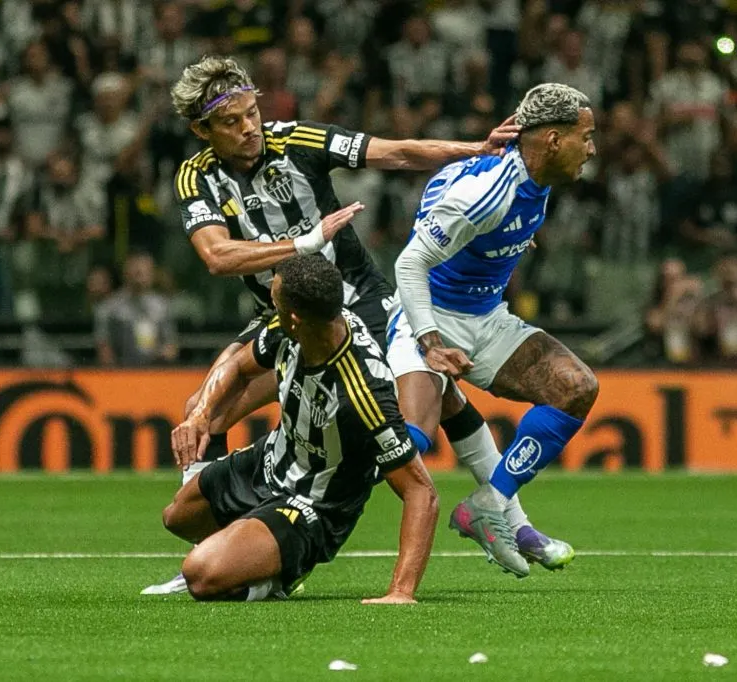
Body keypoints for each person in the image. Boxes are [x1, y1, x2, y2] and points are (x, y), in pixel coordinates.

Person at [144, 55, 558, 593]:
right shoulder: (196, 176)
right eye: (231, 121)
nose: (249, 128)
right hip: (284, 314)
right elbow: (217, 256)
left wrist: (474, 149)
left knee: (429, 400)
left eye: (251, 113)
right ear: (202, 130)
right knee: (204, 411)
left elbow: (393, 151)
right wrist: (306, 243)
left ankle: (507, 518)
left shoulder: (295, 139)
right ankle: (232, 553)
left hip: (358, 305)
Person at [387, 83, 599, 577]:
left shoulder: (534, 175)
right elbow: (409, 263)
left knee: (576, 387)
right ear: (552, 140)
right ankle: (295, 510)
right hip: (428, 316)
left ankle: (491, 504)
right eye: (586, 137)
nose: (591, 149)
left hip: (486, 317)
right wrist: (430, 344)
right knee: (409, 443)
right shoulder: (486, 192)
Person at [162, 254, 437, 604]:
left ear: (295, 318)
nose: (270, 309)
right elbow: (239, 367)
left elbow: (421, 492)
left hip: (314, 504)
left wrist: (401, 590)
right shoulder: (298, 325)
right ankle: (258, 547)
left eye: (275, 302)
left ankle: (279, 573)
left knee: (200, 575)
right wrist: (201, 414)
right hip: (273, 459)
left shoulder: (363, 394)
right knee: (178, 517)